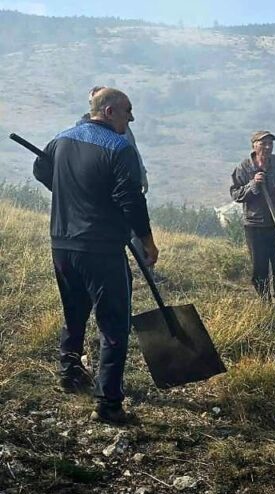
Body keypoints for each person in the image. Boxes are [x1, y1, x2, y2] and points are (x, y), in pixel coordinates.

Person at [33, 88, 158, 424]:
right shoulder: (120, 148)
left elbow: (40, 171)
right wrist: (147, 241)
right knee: (114, 324)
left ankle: (69, 371)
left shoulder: (61, 138)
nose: (131, 118)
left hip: (62, 244)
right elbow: (131, 201)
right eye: (127, 111)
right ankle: (109, 403)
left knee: (74, 311)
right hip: (101, 249)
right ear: (108, 110)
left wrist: (74, 194)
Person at [80, 86, 155, 279]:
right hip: (105, 213)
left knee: (132, 227)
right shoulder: (81, 130)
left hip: (128, 182)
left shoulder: (123, 128)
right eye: (128, 111)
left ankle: (147, 270)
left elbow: (132, 151)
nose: (131, 118)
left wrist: (142, 174)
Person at [230, 130, 275, 306]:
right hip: (255, 226)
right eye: (263, 143)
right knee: (260, 269)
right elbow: (235, 194)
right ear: (254, 145)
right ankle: (265, 303)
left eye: (270, 143)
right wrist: (253, 185)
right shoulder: (244, 168)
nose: (267, 147)